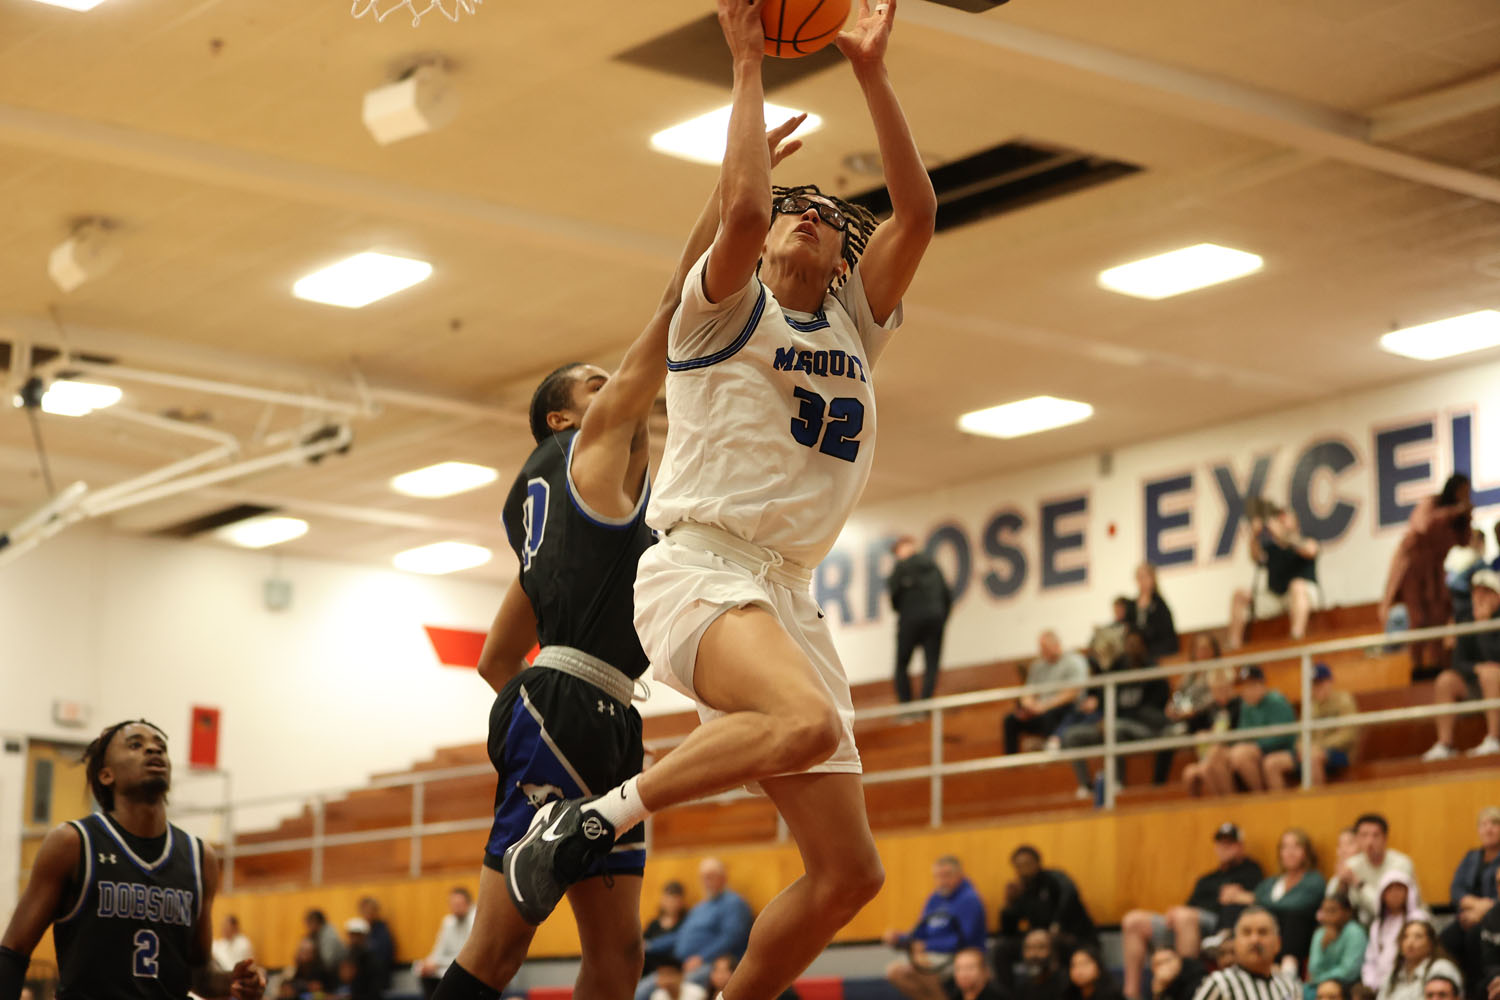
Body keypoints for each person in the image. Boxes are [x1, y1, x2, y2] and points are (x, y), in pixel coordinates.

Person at [505, 9, 937, 1000]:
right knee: (804, 723)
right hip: (699, 564)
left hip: (790, 590)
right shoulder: (722, 304)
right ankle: (590, 820)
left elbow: (916, 217)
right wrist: (745, 62)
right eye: (796, 203)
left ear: (842, 260)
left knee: (850, 875)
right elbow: (739, 211)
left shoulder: (852, 321)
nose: (809, 213)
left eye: (828, 215)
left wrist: (871, 70)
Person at [424, 109, 802, 1000]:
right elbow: (676, 306)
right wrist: (731, 193)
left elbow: (489, 657)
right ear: (565, 418)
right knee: (499, 949)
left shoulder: (549, 513)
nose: (616, 390)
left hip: (584, 701)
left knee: (619, 957)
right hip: (569, 705)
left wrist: (541, 694)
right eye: (596, 386)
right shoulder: (587, 450)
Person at [0, 720, 264, 1000]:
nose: (153, 749)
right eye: (136, 744)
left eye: (160, 747)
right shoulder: (73, 843)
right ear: (106, 775)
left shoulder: (201, 858)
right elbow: (13, 950)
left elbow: (198, 972)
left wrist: (234, 983)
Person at [1121, 824, 1265, 999]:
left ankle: (1185, 986)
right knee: (1133, 920)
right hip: (1188, 924)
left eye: (1231, 843)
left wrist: (1241, 896)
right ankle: (1131, 994)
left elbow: (1260, 902)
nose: (1225, 847)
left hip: (1220, 926)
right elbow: (1189, 905)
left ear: (1240, 846)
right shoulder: (1207, 878)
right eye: (1221, 843)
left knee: (1185, 917)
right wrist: (1175, 912)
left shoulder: (1252, 871)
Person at [1380, 474, 1473, 678]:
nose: (1464, 495)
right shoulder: (1432, 503)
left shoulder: (1459, 517)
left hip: (1436, 573)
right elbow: (1421, 526)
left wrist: (1465, 518)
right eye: (1461, 490)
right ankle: (1417, 667)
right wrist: (1453, 511)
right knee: (1418, 618)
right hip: (1414, 570)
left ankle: (1437, 665)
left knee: (1438, 618)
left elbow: (1464, 542)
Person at [1059, 630, 1171, 796]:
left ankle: (1116, 783)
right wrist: (1102, 717)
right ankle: (1086, 786)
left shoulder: (1153, 672)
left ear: (1144, 646)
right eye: (1129, 643)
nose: (1132, 647)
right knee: (1071, 736)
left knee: (1113, 728)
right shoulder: (1117, 670)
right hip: (1112, 724)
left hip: (1142, 728)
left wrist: (1113, 720)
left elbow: (1154, 710)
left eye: (1136, 642)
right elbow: (1102, 702)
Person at [635, 859, 754, 1000]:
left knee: (684, 992)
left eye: (710, 876)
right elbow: (680, 935)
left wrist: (702, 958)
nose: (706, 882)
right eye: (703, 877)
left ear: (723, 878)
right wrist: (649, 945)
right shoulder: (700, 907)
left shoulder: (733, 903)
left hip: (710, 964)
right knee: (641, 989)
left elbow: (731, 937)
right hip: (681, 965)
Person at [1421, 569, 1500, 760]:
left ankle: (1494, 739)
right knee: (1445, 680)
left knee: (1491, 673)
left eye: (1486, 592)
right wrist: (1476, 669)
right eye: (1476, 592)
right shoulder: (1466, 620)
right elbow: (1458, 663)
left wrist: (1484, 627)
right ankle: (1444, 745)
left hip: (1495, 683)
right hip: (1477, 685)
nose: (1480, 597)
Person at [885, 856, 988, 1000]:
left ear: (959, 875)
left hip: (962, 954)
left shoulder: (969, 899)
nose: (942, 881)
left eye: (947, 875)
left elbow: (965, 938)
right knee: (895, 972)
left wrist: (927, 945)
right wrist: (899, 938)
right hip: (932, 954)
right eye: (938, 876)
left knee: (920, 965)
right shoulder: (935, 898)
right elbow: (921, 931)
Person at [1219, 830, 1326, 964]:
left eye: (1296, 847)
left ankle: (1288, 968)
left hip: (1295, 934)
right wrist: (1240, 897)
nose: (1290, 852)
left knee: (1294, 917)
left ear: (1306, 852)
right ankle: (1224, 940)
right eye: (1285, 847)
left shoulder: (1314, 879)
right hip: (1267, 929)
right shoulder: (1271, 882)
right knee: (1237, 909)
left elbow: (1297, 905)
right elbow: (1254, 900)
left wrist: (1255, 899)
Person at [996, 846, 1096, 988]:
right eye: (1019, 866)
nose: (1024, 870)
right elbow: (1008, 931)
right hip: (1037, 941)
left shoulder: (1055, 879)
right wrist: (1009, 905)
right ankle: (1006, 995)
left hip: (1069, 936)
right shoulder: (1021, 890)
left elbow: (1070, 897)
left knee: (1050, 943)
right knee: (1002, 948)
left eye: (1027, 864)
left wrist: (1055, 925)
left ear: (1038, 863)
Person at [1229, 506, 1321, 648]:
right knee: (1240, 594)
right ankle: (1234, 647)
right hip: (1276, 598)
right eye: (1279, 519)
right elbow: (1256, 557)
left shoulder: (1307, 540)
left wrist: (1284, 536)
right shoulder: (1271, 549)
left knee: (1297, 585)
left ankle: (1297, 640)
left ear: (1296, 522)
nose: (1281, 522)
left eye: (1285, 519)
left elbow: (1310, 550)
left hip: (1302, 596)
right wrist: (1255, 535)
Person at [1263, 664, 1357, 789]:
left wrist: (1318, 747)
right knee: (1271, 763)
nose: (1316, 688)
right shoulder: (1310, 705)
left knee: (1313, 757)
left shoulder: (1344, 701)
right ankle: (1283, 806)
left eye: (1320, 683)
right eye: (1312, 684)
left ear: (1330, 682)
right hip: (1309, 751)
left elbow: (1347, 735)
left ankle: (1315, 802)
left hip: (1338, 752)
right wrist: (1302, 747)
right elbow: (1301, 736)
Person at [888, 534, 953, 703]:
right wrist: (941, 618)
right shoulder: (932, 565)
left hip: (910, 621)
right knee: (931, 665)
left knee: (901, 665)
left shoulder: (900, 568)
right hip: (935, 619)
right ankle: (925, 706)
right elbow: (947, 596)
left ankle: (907, 708)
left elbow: (894, 600)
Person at [1441, 808, 1500, 991]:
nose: (1488, 829)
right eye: (1483, 825)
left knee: (1475, 936)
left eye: (1494, 824)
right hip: (1468, 914)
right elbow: (1456, 889)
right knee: (1445, 938)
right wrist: (1477, 907)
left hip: (1494, 916)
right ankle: (1454, 989)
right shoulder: (1471, 856)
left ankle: (1478, 989)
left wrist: (1484, 910)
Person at [1005, 631, 1091, 755]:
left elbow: (1074, 691)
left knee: (1051, 715)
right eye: (1041, 649)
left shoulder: (1074, 661)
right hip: (1041, 709)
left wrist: (1045, 706)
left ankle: (1050, 751)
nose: (1042, 652)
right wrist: (1028, 704)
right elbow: (1029, 690)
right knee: (1010, 720)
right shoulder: (1038, 666)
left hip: (1065, 708)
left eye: (1045, 648)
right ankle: (1011, 763)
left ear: (1056, 645)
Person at [1190, 908, 1300, 1000]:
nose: (1255, 939)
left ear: (1278, 943)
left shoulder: (1290, 986)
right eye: (1247, 932)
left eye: (1263, 932)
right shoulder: (1220, 984)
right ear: (1235, 943)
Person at [1329, 815, 1418, 927]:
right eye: (1364, 835)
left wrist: (1358, 883)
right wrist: (1342, 884)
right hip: (1364, 925)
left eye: (1375, 835)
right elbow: (1330, 904)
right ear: (1357, 839)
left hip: (1404, 923)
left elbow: (1388, 908)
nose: (1369, 841)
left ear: (1385, 839)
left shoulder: (1400, 864)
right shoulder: (1352, 864)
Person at [1221, 666, 1297, 794]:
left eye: (1251, 685)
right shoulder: (1247, 706)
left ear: (1262, 685)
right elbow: (1242, 734)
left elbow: (1285, 736)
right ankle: (1232, 804)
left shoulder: (1276, 702)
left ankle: (1261, 797)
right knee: (1223, 756)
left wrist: (1257, 746)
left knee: (1241, 755)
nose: (1246, 691)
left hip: (1284, 751)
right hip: (1258, 751)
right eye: (1244, 687)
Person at [1181, 670, 1242, 797]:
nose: (1220, 693)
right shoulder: (1211, 708)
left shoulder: (1239, 705)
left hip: (1232, 748)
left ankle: (1232, 800)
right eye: (1216, 689)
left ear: (1231, 687)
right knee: (1195, 770)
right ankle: (1219, 806)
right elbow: (1194, 726)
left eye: (1223, 688)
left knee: (1214, 755)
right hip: (1210, 754)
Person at [1363, 874, 1428, 990]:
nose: (1395, 894)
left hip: (1409, 982)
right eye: (1390, 889)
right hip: (1379, 985)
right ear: (1382, 894)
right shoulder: (1377, 925)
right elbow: (1370, 960)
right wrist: (1370, 985)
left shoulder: (1418, 919)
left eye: (1399, 889)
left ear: (1409, 892)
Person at [1376, 921, 1460, 1000]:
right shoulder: (1394, 973)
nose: (1410, 942)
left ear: (1431, 942)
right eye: (1405, 937)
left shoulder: (1441, 968)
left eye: (1418, 937)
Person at [1307, 895, 1369, 1000]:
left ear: (1347, 913)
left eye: (1332, 911)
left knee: (1329, 994)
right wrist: (1324, 947)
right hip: (1319, 984)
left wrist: (1320, 979)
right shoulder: (1319, 933)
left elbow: (1349, 971)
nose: (1328, 916)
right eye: (1325, 911)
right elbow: (1313, 968)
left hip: (1347, 984)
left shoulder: (1355, 932)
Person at [417, 888, 475, 998]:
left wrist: (438, 963)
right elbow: (438, 950)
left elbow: (469, 955)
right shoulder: (448, 922)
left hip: (469, 968)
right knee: (423, 971)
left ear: (468, 904)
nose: (455, 908)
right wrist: (429, 963)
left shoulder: (475, 920)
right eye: (453, 905)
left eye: (459, 904)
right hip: (447, 966)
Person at [1131, 564, 1181, 659]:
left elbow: (1164, 632)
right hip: (1137, 651)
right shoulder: (1131, 605)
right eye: (1139, 577)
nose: (1142, 581)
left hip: (1156, 650)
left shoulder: (1159, 604)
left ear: (1153, 579)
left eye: (1145, 577)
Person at [644, 881, 690, 977]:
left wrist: (652, 946)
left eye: (675, 900)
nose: (671, 904)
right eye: (668, 900)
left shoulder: (686, 923)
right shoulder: (654, 924)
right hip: (648, 968)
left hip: (671, 969)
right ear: (662, 901)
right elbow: (642, 945)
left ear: (681, 902)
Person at [1013, 929, 1067, 1000]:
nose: (1034, 954)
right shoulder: (1020, 983)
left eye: (1041, 947)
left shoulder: (1064, 983)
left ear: (1052, 950)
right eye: (1029, 947)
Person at [357, 897, 396, 989]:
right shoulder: (358, 931)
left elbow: (384, 955)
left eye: (371, 910)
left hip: (378, 976)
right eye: (365, 910)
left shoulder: (382, 930)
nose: (368, 913)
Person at [341, 918, 384, 1000]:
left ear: (364, 937)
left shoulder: (372, 958)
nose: (353, 939)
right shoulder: (349, 956)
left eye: (357, 935)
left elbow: (375, 989)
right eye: (351, 935)